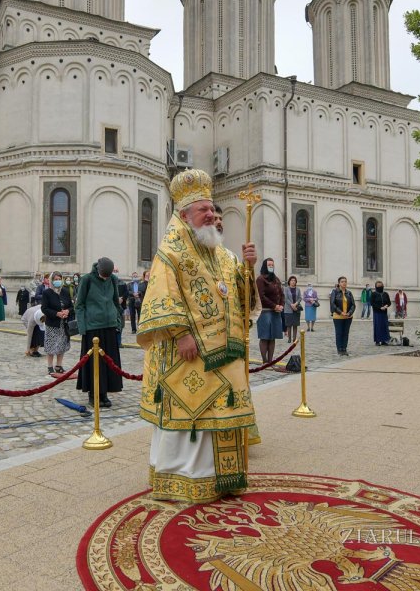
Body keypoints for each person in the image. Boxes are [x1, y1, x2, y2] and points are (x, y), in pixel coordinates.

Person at [138, 168, 256, 503]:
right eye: (203, 210)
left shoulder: (223, 254)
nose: (210, 215)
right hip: (186, 354)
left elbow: (241, 299)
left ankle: (222, 479)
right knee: (192, 414)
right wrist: (181, 334)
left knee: (219, 415)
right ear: (185, 215)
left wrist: (250, 267)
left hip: (224, 354)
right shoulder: (171, 251)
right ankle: (184, 479)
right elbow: (162, 296)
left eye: (211, 209)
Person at [76, 258, 124, 408]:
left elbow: (116, 302)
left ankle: (105, 393)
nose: (105, 278)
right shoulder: (87, 280)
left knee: (108, 362)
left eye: (108, 276)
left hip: (109, 326)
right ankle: (94, 394)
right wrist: (82, 327)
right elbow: (79, 305)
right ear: (98, 270)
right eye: (103, 275)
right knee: (93, 363)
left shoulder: (113, 279)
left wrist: (118, 320)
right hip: (92, 328)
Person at [40, 271, 73, 375]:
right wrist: (56, 313)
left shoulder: (65, 291)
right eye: (55, 279)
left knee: (62, 344)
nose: (57, 281)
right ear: (51, 280)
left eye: (59, 279)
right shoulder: (47, 293)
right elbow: (44, 308)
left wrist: (67, 311)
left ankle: (59, 365)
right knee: (51, 345)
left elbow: (71, 306)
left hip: (64, 323)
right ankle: (50, 366)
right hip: (52, 323)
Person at [255, 259, 284, 366]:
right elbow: (261, 296)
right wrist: (274, 305)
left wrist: (281, 305)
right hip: (265, 312)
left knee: (272, 337)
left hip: (276, 312)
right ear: (265, 266)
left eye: (272, 264)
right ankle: (264, 361)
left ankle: (271, 361)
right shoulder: (260, 279)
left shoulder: (276, 279)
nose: (271, 266)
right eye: (269, 265)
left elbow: (281, 294)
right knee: (265, 337)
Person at [330, 276, 356, 356]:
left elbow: (353, 305)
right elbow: (332, 304)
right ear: (339, 283)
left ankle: (344, 348)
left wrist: (349, 313)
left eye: (345, 281)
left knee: (346, 333)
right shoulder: (335, 292)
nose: (344, 283)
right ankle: (339, 349)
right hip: (338, 316)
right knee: (339, 333)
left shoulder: (349, 293)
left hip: (348, 317)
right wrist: (341, 312)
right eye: (342, 281)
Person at [283, 275, 302, 344]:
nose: (293, 282)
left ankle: (294, 338)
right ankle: (289, 338)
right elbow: (285, 298)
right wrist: (291, 304)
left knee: (295, 324)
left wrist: (296, 304)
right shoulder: (286, 289)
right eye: (291, 280)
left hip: (296, 309)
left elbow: (300, 298)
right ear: (289, 281)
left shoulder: (298, 289)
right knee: (289, 325)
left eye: (294, 280)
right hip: (288, 309)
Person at [372, 281, 392, 345]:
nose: (380, 287)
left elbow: (389, 302)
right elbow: (372, 303)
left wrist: (386, 306)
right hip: (377, 312)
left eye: (381, 286)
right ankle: (377, 341)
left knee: (384, 326)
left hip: (384, 312)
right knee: (378, 326)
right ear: (376, 286)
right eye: (378, 286)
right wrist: (380, 307)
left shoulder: (386, 294)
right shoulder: (374, 294)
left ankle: (384, 340)